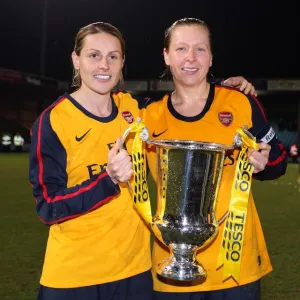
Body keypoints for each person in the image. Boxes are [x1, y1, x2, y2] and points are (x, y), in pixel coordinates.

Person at [29, 21, 258, 300]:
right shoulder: (52, 121)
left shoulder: (134, 111)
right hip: (73, 276)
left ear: (122, 62)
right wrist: (108, 180)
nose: (104, 65)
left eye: (113, 56)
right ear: (76, 59)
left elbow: (185, 99)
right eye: (93, 55)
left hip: (134, 274)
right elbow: (47, 207)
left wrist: (224, 88)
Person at [140, 18, 287, 300]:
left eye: (200, 49)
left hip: (235, 267)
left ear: (211, 57)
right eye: (181, 49)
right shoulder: (147, 116)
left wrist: (264, 161)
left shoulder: (240, 102)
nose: (191, 58)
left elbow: (277, 158)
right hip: (171, 268)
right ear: (166, 55)